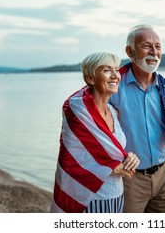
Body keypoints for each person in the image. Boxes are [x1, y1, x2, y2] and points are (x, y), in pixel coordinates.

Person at [109, 24, 165, 213]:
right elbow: (94, 125)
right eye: (146, 46)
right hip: (130, 177)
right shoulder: (113, 86)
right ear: (130, 51)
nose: (154, 52)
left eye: (158, 47)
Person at [51, 52, 140, 213]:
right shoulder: (77, 112)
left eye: (116, 69)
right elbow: (72, 158)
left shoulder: (113, 111)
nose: (115, 76)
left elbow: (111, 150)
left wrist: (130, 158)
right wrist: (112, 167)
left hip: (116, 194)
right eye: (107, 70)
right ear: (90, 78)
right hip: (89, 197)